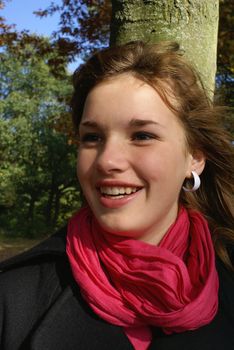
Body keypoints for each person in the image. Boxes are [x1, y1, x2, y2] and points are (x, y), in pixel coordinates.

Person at [0, 41, 233, 350]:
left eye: (142, 136)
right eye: (92, 137)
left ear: (194, 157)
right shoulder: (13, 298)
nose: (107, 160)